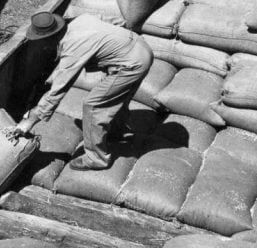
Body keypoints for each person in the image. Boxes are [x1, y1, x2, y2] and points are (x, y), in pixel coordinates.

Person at [11, 11, 154, 171]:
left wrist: (29, 121)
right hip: (141, 48)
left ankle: (97, 158)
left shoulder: (73, 48)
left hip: (130, 65)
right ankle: (115, 132)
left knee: (93, 105)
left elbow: (58, 91)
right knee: (114, 97)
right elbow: (117, 20)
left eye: (41, 41)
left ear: (49, 38)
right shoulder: (80, 20)